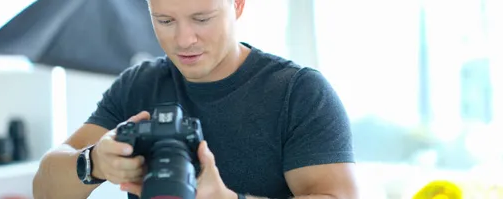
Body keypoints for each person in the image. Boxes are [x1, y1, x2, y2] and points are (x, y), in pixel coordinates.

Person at [33, 0, 359, 198]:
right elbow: (44, 190)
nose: (184, 39)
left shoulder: (298, 93)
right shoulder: (138, 85)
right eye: (165, 20)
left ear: (238, 5)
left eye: (202, 18)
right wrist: (94, 163)